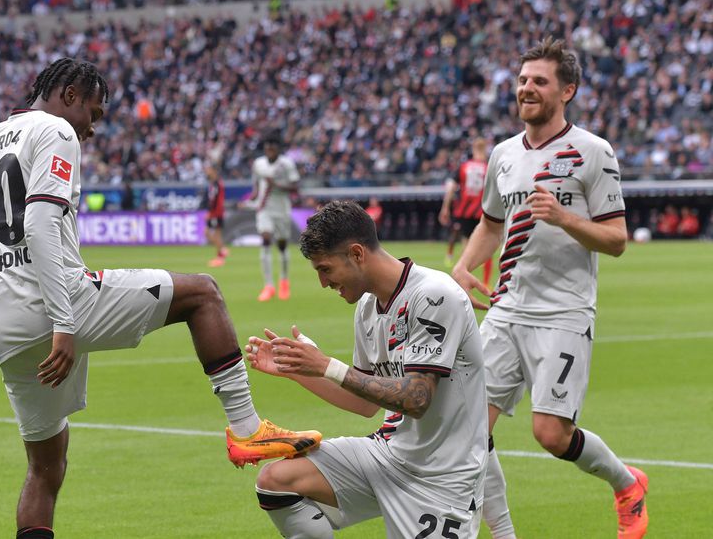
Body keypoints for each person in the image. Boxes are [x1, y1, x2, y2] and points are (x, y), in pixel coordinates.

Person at [0, 58, 320, 539]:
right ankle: (248, 430)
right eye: (94, 112)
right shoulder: (55, 132)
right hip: (60, 305)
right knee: (203, 294)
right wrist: (65, 321)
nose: (92, 128)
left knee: (45, 466)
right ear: (69, 95)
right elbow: (40, 224)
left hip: (3, 322)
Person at [451, 37, 648, 539]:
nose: (526, 89)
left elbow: (617, 239)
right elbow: (492, 224)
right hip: (506, 308)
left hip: (562, 313)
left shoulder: (592, 152)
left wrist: (563, 217)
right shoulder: (503, 154)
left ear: (568, 91)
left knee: (551, 434)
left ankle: (627, 484)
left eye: (539, 81)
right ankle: (502, 533)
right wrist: (464, 266)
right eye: (522, 81)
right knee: (469, 429)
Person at [245, 200, 488, 538]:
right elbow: (365, 402)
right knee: (277, 482)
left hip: (442, 478)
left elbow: (417, 399)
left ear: (357, 254)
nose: (322, 282)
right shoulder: (367, 307)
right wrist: (298, 369)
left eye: (325, 269)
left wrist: (326, 365)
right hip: (386, 456)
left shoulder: (434, 295)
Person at [245, 133, 300, 301]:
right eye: (267, 145)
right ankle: (269, 286)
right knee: (266, 239)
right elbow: (256, 186)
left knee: (282, 246)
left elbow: (295, 186)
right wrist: (252, 198)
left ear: (278, 147)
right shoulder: (258, 164)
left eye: (273, 145)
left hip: (281, 210)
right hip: (264, 209)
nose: (269, 148)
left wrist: (277, 185)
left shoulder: (286, 164)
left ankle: (284, 281)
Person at [439, 138, 493, 290]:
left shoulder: (464, 166)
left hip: (464, 211)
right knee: (487, 243)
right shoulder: (488, 167)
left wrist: (445, 207)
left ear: (474, 148)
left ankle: (464, 279)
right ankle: (486, 282)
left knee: (466, 245)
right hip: (483, 210)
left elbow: (451, 187)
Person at [203, 164, 229, 267]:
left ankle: (220, 257)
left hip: (216, 213)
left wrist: (211, 213)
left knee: (213, 235)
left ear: (213, 171)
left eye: (208, 169)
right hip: (217, 212)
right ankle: (222, 250)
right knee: (213, 235)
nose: (207, 172)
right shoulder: (214, 183)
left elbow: (215, 201)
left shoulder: (216, 184)